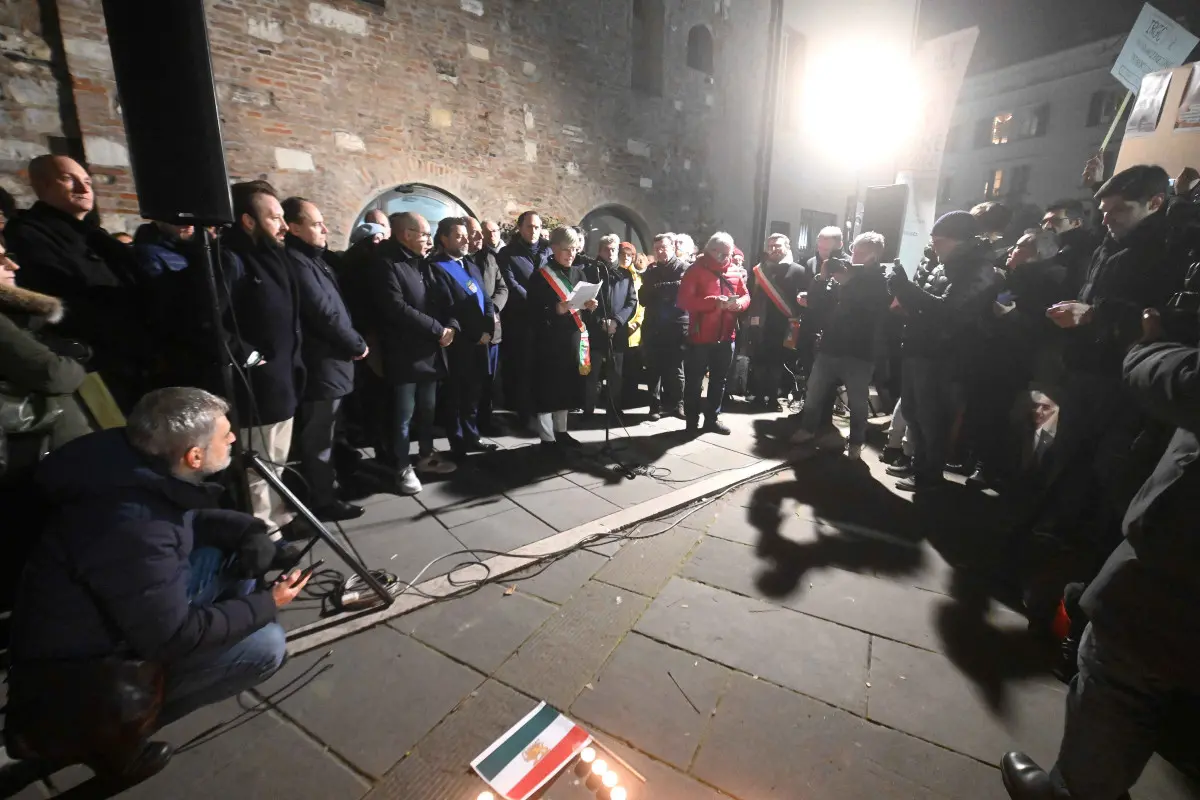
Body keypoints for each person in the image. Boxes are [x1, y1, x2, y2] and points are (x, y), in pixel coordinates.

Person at [5, 388, 310, 785]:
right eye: (225, 435)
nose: (234, 439)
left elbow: (186, 518)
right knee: (266, 648)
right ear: (194, 456)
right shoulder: (133, 524)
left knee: (238, 556)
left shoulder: (133, 466)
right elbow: (171, 635)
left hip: (111, 611)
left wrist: (250, 531)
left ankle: (223, 639)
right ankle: (116, 738)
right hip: (85, 669)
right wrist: (268, 603)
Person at [1000, 315, 1200, 800]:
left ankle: (1074, 791)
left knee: (1119, 675)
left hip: (1177, 564)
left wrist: (1145, 345)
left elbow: (1183, 381)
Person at [4, 155, 149, 410]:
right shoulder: (28, 234)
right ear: (42, 185)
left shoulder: (97, 236)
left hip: (134, 357)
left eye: (87, 182)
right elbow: (62, 298)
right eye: (69, 180)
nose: (84, 189)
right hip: (93, 364)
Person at [0, 238, 92, 615]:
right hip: (26, 457)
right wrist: (73, 361)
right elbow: (52, 372)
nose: (12, 265)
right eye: (0, 257)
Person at [887, 211, 1002, 491]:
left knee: (933, 418)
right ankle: (920, 468)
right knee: (915, 413)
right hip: (920, 347)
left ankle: (929, 475)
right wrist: (903, 294)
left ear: (960, 241)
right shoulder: (943, 265)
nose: (933, 247)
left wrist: (906, 289)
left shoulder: (979, 269)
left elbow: (950, 311)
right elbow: (926, 306)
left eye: (939, 241)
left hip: (945, 356)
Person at [221, 181, 305, 538]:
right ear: (248, 220)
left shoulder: (273, 257)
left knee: (278, 460)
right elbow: (212, 320)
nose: (284, 226)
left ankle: (281, 516)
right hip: (257, 384)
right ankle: (266, 534)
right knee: (259, 467)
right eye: (274, 218)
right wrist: (252, 358)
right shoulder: (230, 259)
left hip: (283, 379)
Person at [282, 197, 368, 522]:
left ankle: (327, 489)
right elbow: (324, 313)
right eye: (317, 224)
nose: (324, 229)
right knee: (319, 438)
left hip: (333, 364)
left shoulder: (312, 259)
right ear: (294, 227)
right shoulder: (297, 262)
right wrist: (356, 343)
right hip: (322, 365)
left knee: (329, 434)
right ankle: (322, 500)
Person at [369, 212, 455, 495]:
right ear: (405, 234)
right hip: (405, 355)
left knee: (428, 410)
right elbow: (395, 307)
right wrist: (436, 328)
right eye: (424, 234)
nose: (429, 240)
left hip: (430, 352)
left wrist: (451, 325)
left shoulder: (424, 263)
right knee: (403, 415)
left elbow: (443, 298)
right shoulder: (386, 263)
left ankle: (426, 454)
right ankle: (402, 466)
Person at [791, 232, 891, 458]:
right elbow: (817, 304)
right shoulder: (845, 273)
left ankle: (856, 441)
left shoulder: (881, 279)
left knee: (857, 400)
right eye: (854, 250)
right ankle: (807, 429)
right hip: (830, 345)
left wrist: (849, 282)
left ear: (874, 255)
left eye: (861, 252)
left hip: (860, 351)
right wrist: (821, 278)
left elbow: (871, 310)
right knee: (814, 391)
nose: (855, 255)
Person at [428, 217, 497, 459]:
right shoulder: (436, 267)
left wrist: (488, 329)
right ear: (444, 239)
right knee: (456, 395)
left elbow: (486, 300)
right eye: (459, 236)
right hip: (459, 344)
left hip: (481, 340)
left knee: (473, 394)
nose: (466, 240)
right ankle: (457, 442)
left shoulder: (470, 265)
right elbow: (450, 308)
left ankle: (472, 436)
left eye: (466, 235)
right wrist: (476, 334)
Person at [526, 226, 598, 449]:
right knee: (548, 388)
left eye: (575, 249)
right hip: (549, 341)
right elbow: (533, 310)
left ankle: (562, 431)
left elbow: (581, 307)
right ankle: (547, 438)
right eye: (567, 249)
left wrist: (590, 306)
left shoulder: (579, 273)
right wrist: (555, 309)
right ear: (554, 248)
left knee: (567, 386)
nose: (571, 254)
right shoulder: (541, 276)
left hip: (572, 337)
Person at [677, 232, 749, 434]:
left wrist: (740, 305)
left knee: (719, 380)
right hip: (700, 337)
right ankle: (691, 421)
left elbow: (745, 295)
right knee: (694, 381)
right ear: (711, 250)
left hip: (726, 337)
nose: (725, 256)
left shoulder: (734, 271)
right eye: (721, 252)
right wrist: (713, 302)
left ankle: (712, 419)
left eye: (728, 252)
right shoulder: (695, 271)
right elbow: (684, 301)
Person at [498, 211, 551, 429]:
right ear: (520, 228)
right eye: (529, 226)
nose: (534, 231)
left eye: (537, 227)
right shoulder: (508, 253)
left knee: (544, 367)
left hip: (547, 319)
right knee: (523, 367)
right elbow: (511, 284)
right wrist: (536, 301)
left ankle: (544, 410)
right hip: (521, 320)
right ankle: (524, 413)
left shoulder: (548, 250)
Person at [746, 232, 807, 409]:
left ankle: (773, 398)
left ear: (787, 247)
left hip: (783, 324)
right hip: (761, 323)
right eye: (770, 246)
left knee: (778, 364)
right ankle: (758, 397)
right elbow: (751, 294)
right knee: (759, 361)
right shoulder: (759, 270)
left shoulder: (798, 270)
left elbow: (803, 297)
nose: (773, 249)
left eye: (778, 245)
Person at [583, 234, 638, 419]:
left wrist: (617, 321)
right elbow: (585, 302)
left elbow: (631, 302)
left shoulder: (625, 274)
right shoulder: (590, 272)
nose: (611, 252)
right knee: (593, 374)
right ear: (600, 251)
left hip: (617, 331)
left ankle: (614, 408)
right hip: (596, 331)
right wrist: (600, 322)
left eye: (614, 249)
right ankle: (588, 409)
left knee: (616, 374)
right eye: (606, 249)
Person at [640, 233, 689, 420]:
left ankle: (678, 405)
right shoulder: (650, 271)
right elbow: (643, 298)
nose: (660, 252)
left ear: (673, 247)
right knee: (653, 368)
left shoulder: (684, 268)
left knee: (677, 368)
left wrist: (657, 288)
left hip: (677, 325)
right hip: (653, 325)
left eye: (664, 247)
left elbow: (681, 291)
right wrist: (665, 289)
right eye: (657, 248)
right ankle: (654, 406)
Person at [469, 218, 509, 435]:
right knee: (472, 384)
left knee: (489, 381)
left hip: (493, 329)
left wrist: (493, 308)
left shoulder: (490, 258)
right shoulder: (459, 261)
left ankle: (486, 420)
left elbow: (503, 287)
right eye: (475, 233)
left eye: (479, 233)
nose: (479, 238)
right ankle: (470, 427)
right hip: (473, 332)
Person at [621, 246, 649, 407]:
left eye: (629, 255)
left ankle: (630, 400)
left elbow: (641, 303)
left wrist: (637, 322)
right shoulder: (617, 273)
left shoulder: (637, 277)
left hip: (634, 329)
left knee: (632, 368)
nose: (626, 258)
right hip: (619, 326)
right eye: (623, 254)